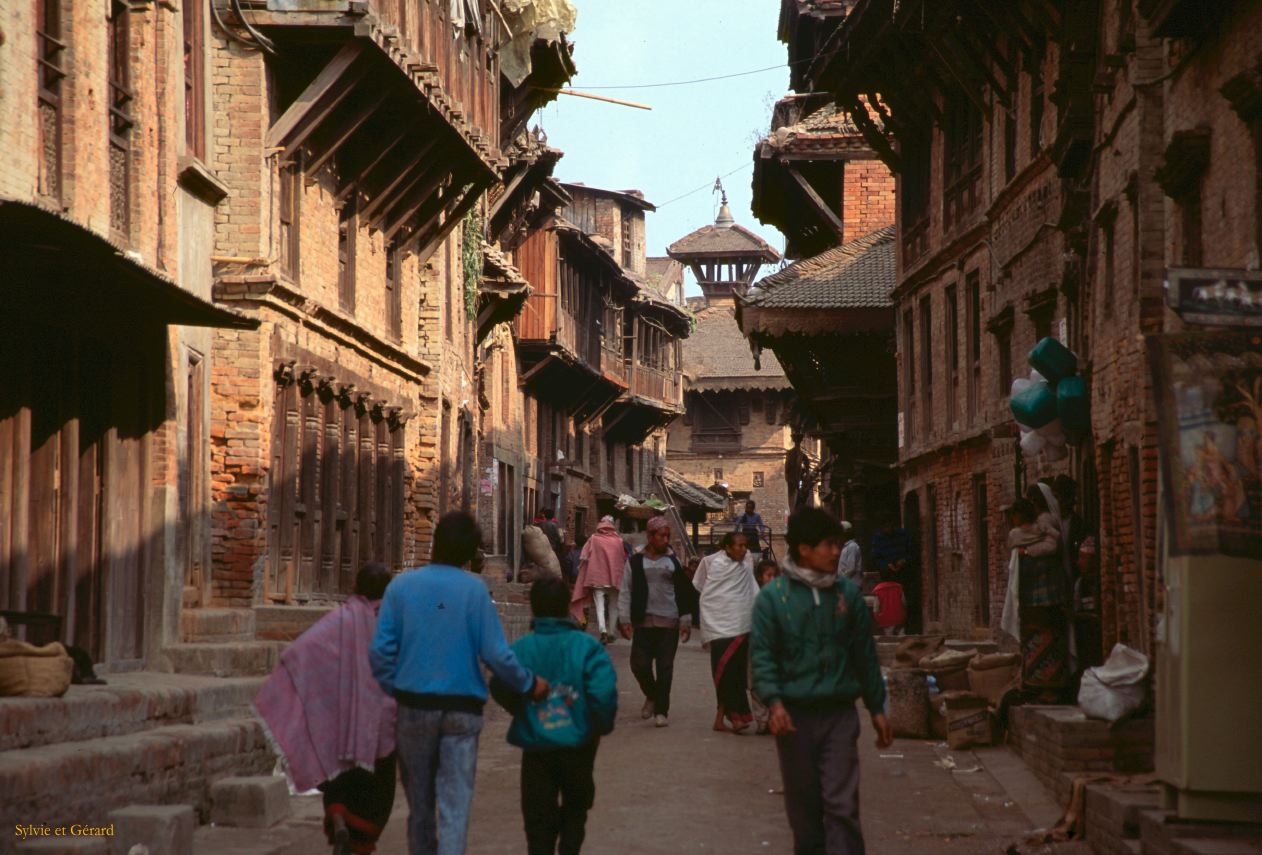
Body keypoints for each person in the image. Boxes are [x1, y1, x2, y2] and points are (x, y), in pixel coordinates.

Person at [370, 511, 549, 855]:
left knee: (420, 807)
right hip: (461, 713)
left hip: (413, 708)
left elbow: (380, 653)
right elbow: (496, 655)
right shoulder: (474, 591)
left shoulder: (401, 586)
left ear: (435, 543)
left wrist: (398, 687)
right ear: (470, 554)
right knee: (454, 805)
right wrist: (528, 684)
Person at [751, 507, 891, 855]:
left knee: (842, 807)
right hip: (793, 720)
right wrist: (775, 702)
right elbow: (763, 658)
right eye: (828, 545)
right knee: (805, 814)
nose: (835, 553)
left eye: (837, 544)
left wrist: (877, 707)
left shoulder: (847, 595)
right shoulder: (773, 599)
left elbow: (864, 656)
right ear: (804, 549)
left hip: (839, 715)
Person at [254, 563, 398, 855]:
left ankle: (338, 814)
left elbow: (298, 653)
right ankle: (359, 845)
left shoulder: (340, 619)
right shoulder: (393, 625)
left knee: (340, 778)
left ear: (356, 588)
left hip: (341, 724)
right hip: (378, 731)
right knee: (377, 792)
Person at [492, 576, 618, 855]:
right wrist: (598, 727)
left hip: (536, 746)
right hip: (579, 745)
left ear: (534, 608)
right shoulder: (587, 647)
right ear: (566, 607)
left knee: (538, 818)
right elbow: (603, 692)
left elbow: (500, 683)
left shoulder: (522, 648)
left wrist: (521, 708)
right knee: (576, 808)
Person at [617, 516, 696, 728]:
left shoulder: (673, 561)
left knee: (665, 668)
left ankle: (662, 710)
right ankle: (652, 695)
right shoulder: (635, 561)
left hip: (668, 622)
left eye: (667, 536)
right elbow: (626, 591)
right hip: (643, 622)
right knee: (639, 665)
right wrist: (624, 619)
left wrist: (685, 620)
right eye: (662, 535)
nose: (665, 539)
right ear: (650, 537)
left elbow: (682, 592)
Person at [1001, 494, 1069, 703]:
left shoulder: (1020, 537)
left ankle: (1043, 687)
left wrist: (1028, 551)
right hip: (1045, 602)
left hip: (1036, 603)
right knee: (1044, 644)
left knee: (1039, 644)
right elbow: (1053, 543)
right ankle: (1045, 687)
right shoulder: (1044, 532)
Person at [693, 532, 759, 733]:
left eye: (745, 545)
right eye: (738, 545)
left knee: (737, 674)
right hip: (720, 626)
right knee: (724, 673)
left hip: (742, 625)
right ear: (727, 547)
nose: (743, 549)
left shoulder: (746, 567)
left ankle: (721, 718)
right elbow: (707, 594)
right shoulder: (715, 564)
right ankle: (735, 717)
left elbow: (752, 593)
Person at [570, 516, 627, 645]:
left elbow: (583, 556)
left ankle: (603, 631)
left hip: (597, 578)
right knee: (613, 606)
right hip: (614, 578)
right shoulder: (619, 541)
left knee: (600, 606)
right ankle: (612, 632)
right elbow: (622, 558)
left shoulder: (594, 539)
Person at [870, 512, 920, 633]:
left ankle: (908, 628)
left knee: (907, 603)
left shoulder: (903, 535)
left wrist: (904, 561)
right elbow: (875, 558)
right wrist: (887, 566)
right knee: (890, 603)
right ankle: (891, 626)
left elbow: (913, 553)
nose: (888, 529)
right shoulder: (878, 539)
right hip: (888, 576)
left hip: (905, 574)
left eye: (889, 526)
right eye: (885, 527)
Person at [751, 558, 780, 735]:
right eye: (769, 575)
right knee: (756, 683)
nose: (772, 579)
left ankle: (772, 718)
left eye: (775, 575)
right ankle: (762, 719)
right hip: (756, 645)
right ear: (760, 577)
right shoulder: (753, 596)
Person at [836, 521, 862, 586]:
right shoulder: (845, 546)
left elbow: (851, 568)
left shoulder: (852, 546)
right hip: (846, 584)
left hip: (851, 584)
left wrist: (841, 580)